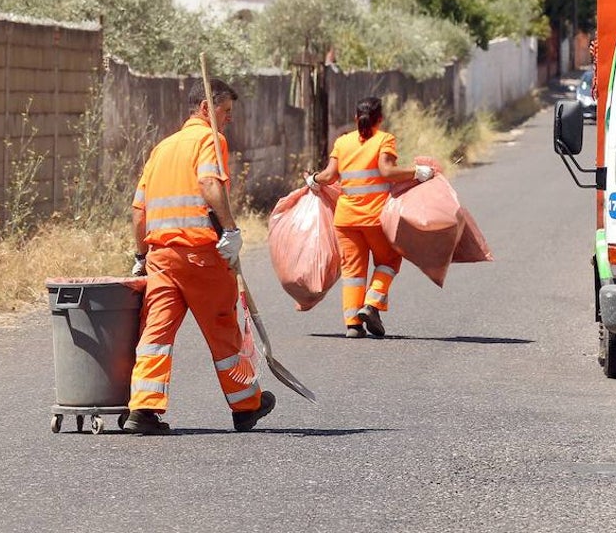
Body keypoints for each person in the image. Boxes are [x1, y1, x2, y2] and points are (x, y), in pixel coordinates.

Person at [125, 77, 276, 435]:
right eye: (225, 111)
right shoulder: (211, 140)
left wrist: (139, 254)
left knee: (155, 333)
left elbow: (138, 210)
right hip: (200, 256)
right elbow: (210, 185)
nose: (229, 119)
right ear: (207, 108)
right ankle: (245, 405)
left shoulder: (162, 148)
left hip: (161, 257)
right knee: (223, 328)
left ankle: (143, 409)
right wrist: (231, 231)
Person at [305, 96, 434, 339]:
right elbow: (387, 171)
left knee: (353, 271)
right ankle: (372, 303)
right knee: (390, 259)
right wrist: (417, 172)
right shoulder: (384, 139)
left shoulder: (343, 142)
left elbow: (330, 175)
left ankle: (353, 324)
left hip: (345, 220)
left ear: (356, 118)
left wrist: (313, 179)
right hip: (375, 218)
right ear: (381, 118)